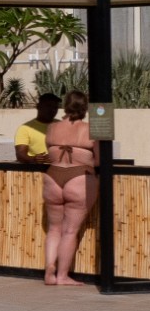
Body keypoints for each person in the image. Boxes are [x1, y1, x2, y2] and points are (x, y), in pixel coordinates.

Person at [43, 90, 99, 287]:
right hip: (79, 177)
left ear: (65, 106)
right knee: (69, 231)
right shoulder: (91, 129)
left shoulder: (52, 128)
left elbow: (49, 153)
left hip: (53, 176)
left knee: (54, 229)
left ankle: (49, 269)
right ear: (85, 107)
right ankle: (62, 276)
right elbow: (100, 160)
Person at [15, 93, 60, 167]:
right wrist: (34, 159)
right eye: (48, 106)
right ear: (38, 107)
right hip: (36, 170)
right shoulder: (25, 128)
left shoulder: (63, 126)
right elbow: (20, 154)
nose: (52, 110)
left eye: (55, 107)